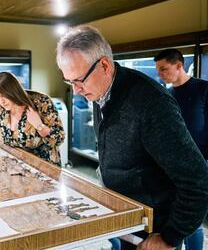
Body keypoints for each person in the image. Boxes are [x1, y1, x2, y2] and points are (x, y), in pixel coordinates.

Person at [56, 25, 208, 250]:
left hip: (152, 228)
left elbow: (197, 180)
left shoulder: (151, 104)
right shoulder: (99, 92)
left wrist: (169, 237)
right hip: (126, 219)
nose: (76, 90)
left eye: (79, 80)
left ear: (105, 65)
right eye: (69, 82)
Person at [154, 48, 208, 250]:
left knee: (193, 218)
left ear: (179, 66)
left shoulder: (203, 89)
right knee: (175, 214)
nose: (159, 74)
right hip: (171, 165)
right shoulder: (166, 95)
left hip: (199, 163)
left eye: (163, 69)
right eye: (158, 70)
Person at [0, 72, 65, 166]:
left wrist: (39, 126)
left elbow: (60, 138)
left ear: (13, 91)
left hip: (44, 170)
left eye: (4, 95)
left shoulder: (41, 102)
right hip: (15, 169)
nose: (1, 101)